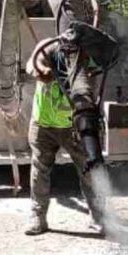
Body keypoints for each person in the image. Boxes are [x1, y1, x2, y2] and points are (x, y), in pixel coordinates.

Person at [24, 46, 104, 236]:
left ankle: (98, 217)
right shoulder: (49, 47)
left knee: (88, 169)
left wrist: (85, 71)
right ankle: (38, 217)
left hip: (73, 126)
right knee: (40, 170)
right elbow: (32, 64)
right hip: (42, 123)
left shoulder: (84, 53)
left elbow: (98, 67)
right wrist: (42, 71)